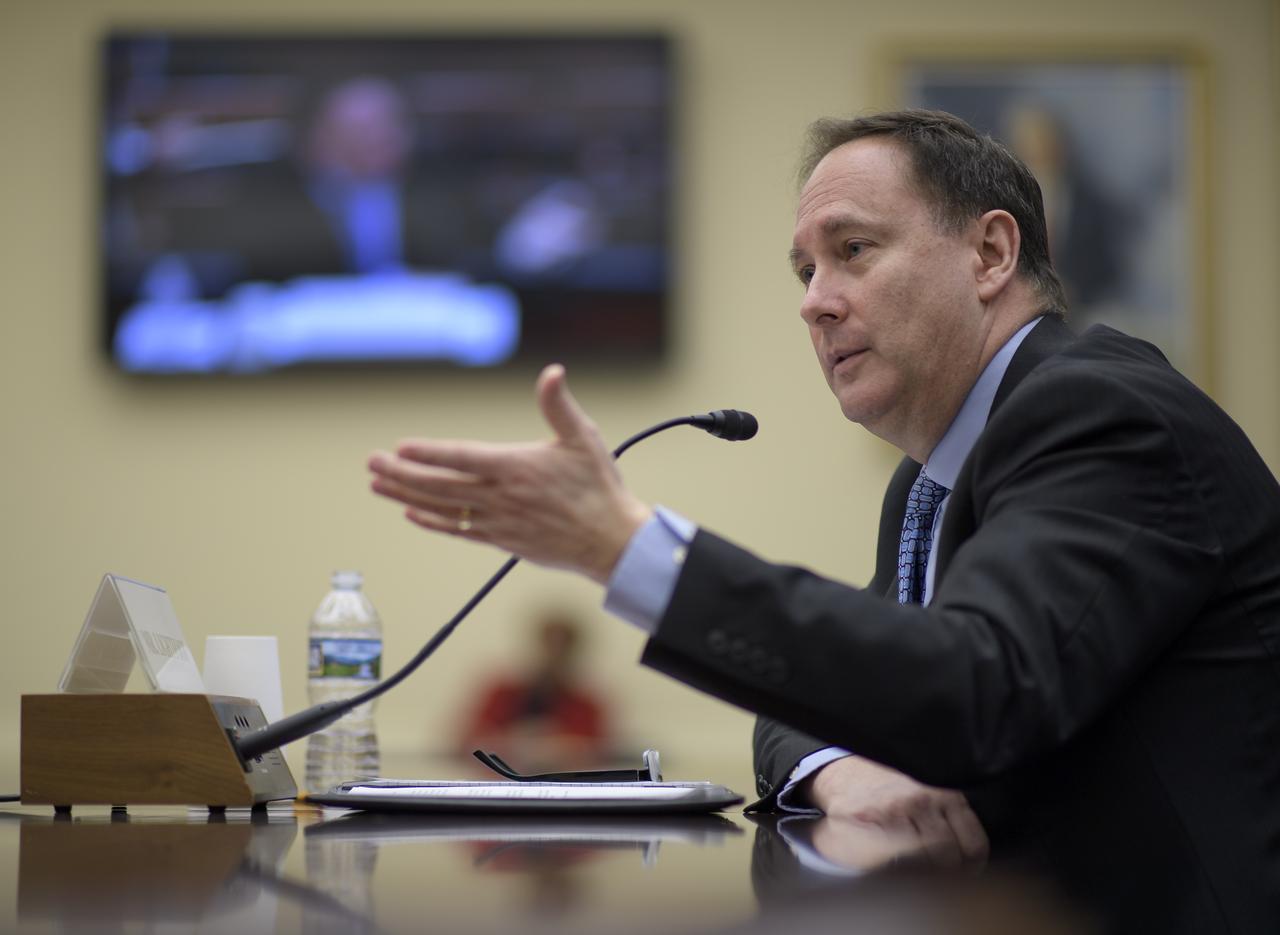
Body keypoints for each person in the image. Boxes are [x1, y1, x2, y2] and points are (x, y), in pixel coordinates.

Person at [367, 110, 1280, 932]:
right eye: (807, 270)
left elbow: (980, 686)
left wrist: (628, 549)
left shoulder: (1104, 414)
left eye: (853, 250)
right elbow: (834, 687)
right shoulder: (930, 479)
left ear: (991, 254)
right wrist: (841, 768)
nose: (815, 299)